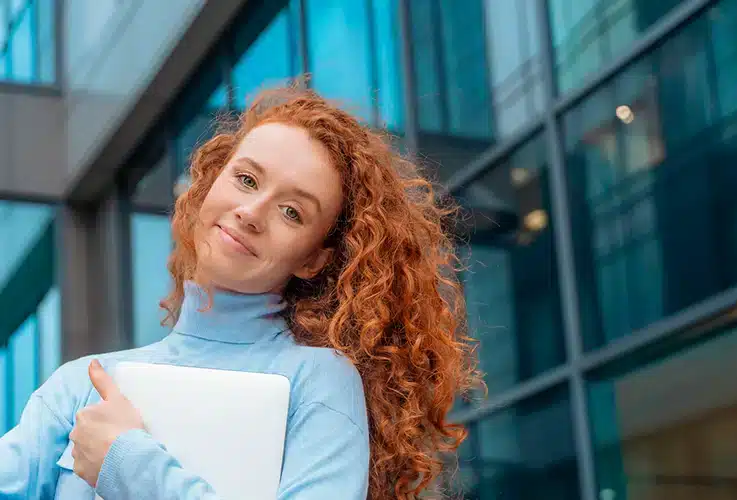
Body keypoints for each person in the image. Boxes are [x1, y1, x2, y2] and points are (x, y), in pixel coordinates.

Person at [0, 86, 480, 499]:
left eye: (292, 211)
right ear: (209, 185)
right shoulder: (80, 383)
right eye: (246, 179)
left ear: (314, 257)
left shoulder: (317, 382)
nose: (252, 212)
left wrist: (127, 462)